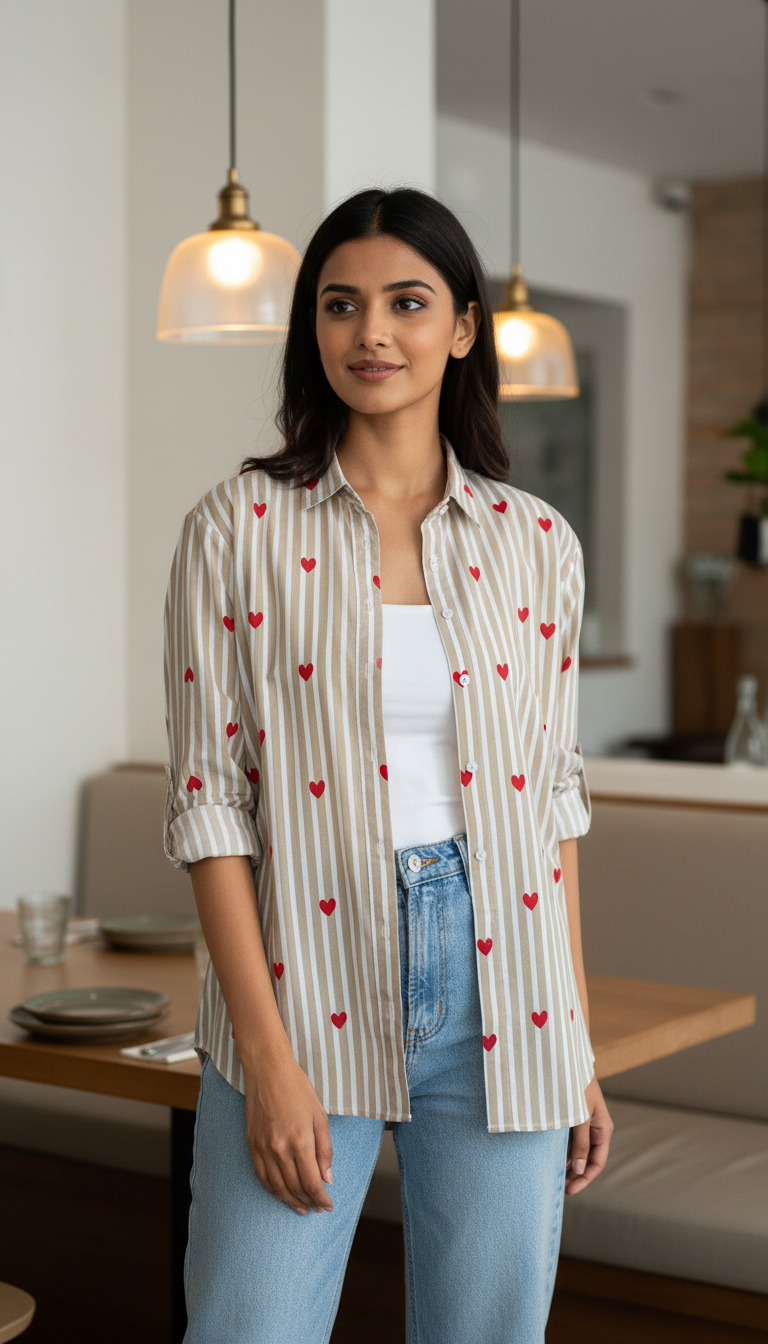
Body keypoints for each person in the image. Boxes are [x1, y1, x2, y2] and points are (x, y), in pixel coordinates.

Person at [163, 186, 614, 1344]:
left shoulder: (538, 544)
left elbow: (552, 805)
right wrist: (265, 1059)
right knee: (249, 1327)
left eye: (407, 303)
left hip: (508, 985)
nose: (371, 332)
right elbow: (211, 808)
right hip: (299, 973)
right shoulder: (238, 529)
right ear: (312, 329)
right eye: (340, 305)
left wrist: (571, 1045)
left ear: (462, 327)